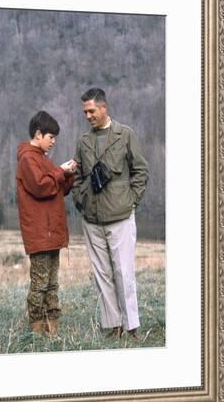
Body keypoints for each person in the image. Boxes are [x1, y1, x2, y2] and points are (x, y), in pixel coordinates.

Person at [72, 88, 148, 339]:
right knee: (102, 275)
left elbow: (140, 171)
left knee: (123, 272)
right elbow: (77, 176)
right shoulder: (83, 141)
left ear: (104, 108)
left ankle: (132, 327)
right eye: (85, 112)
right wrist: (79, 200)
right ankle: (113, 326)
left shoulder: (125, 135)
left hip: (120, 218)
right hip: (91, 220)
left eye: (91, 111)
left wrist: (131, 202)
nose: (88, 116)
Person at [16, 111, 76, 337]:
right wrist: (60, 171)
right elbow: (42, 187)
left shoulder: (42, 158)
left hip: (51, 233)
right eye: (51, 136)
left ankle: (52, 325)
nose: (53, 141)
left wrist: (68, 174)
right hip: (40, 233)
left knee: (52, 282)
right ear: (38, 134)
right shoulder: (28, 159)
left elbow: (57, 189)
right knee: (40, 283)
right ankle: (36, 326)